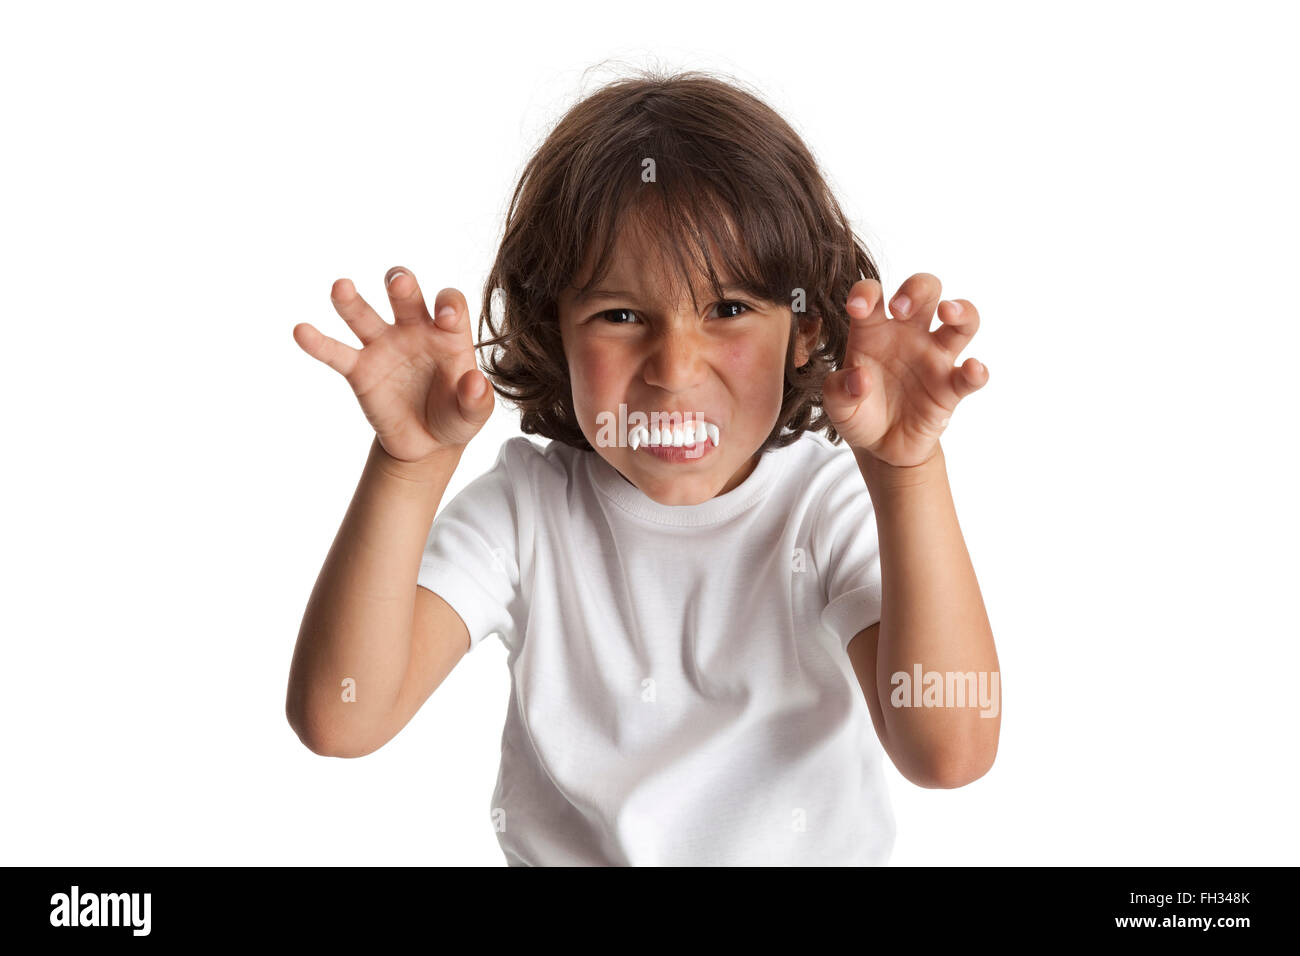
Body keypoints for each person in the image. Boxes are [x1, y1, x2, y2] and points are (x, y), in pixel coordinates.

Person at [286, 69, 1001, 866]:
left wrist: (907, 475)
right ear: (552, 331)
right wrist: (407, 467)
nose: (674, 366)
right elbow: (341, 719)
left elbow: (951, 751)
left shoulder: (824, 505)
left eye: (728, 309)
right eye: (620, 315)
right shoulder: (527, 510)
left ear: (804, 331)